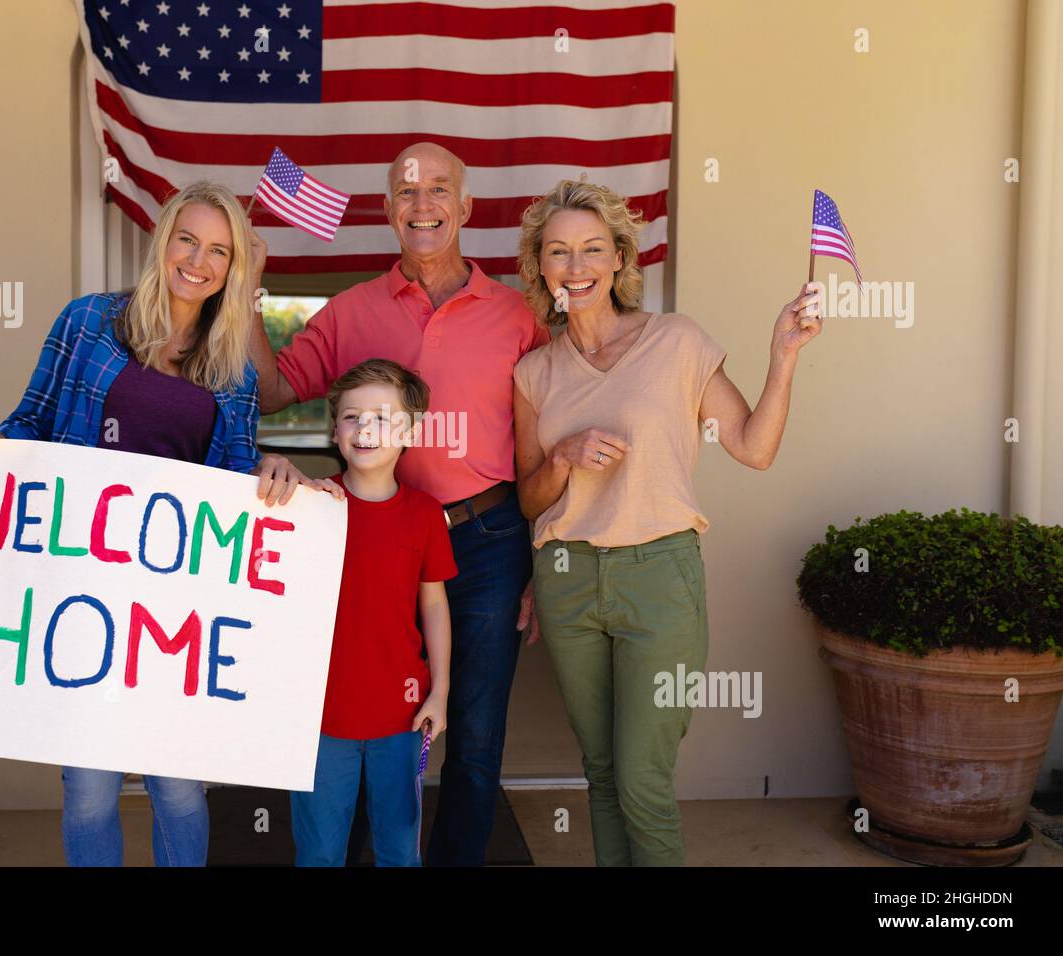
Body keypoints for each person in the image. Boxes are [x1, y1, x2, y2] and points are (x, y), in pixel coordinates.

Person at [0, 181, 326, 867]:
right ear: (163, 241)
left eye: (220, 252)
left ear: (235, 270)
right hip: (83, 594)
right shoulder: (87, 324)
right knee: (87, 788)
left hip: (176, 609)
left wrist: (276, 472)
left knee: (177, 789)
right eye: (188, 240)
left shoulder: (233, 371)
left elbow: (231, 473)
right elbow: (34, 423)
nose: (198, 261)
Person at [250, 142, 549, 866]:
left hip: (486, 542)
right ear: (388, 211)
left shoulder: (516, 316)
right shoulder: (353, 311)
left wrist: (542, 560)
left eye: (439, 190)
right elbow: (270, 392)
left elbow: (544, 447)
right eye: (407, 192)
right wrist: (249, 295)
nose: (424, 205)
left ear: (466, 207)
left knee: (473, 735)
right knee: (357, 716)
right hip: (367, 542)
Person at [512, 179, 822, 866]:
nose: (577, 266)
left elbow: (752, 446)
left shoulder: (677, 340)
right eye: (558, 252)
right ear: (540, 268)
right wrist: (562, 460)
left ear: (621, 257)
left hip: (660, 576)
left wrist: (783, 357)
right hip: (566, 581)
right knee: (600, 773)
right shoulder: (534, 372)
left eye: (593, 249)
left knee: (643, 780)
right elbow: (532, 500)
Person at [290, 359, 455, 866]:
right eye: (350, 417)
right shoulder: (308, 507)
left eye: (382, 418)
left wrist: (440, 692)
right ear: (334, 430)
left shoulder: (425, 514)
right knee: (319, 850)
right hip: (318, 716)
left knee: (400, 848)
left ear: (411, 431)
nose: (365, 429)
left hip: (400, 716)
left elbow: (433, 604)